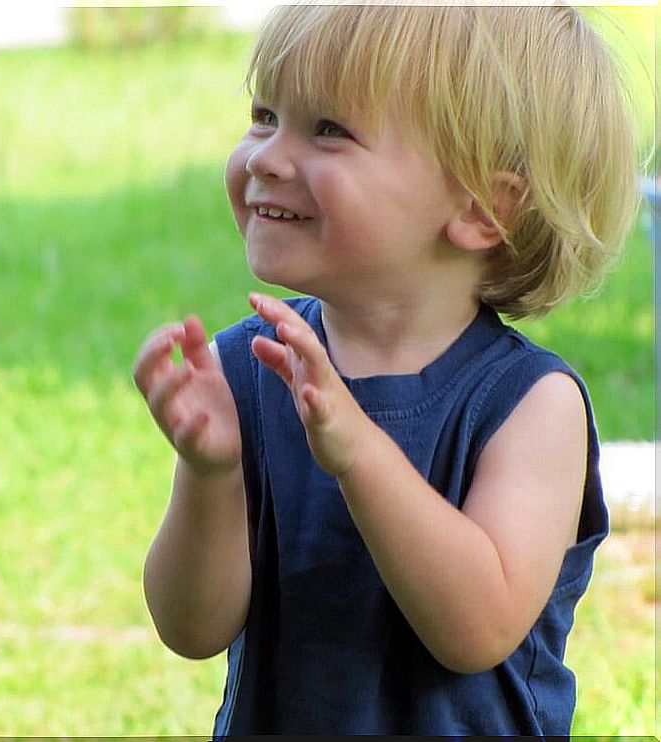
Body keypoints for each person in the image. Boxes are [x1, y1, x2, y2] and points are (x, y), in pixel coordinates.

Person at [132, 3, 638, 735]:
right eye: (264, 114)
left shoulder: (529, 406)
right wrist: (209, 473)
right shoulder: (250, 367)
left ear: (479, 209)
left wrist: (357, 451)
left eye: (328, 130)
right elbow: (190, 627)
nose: (267, 157)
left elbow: (476, 629)